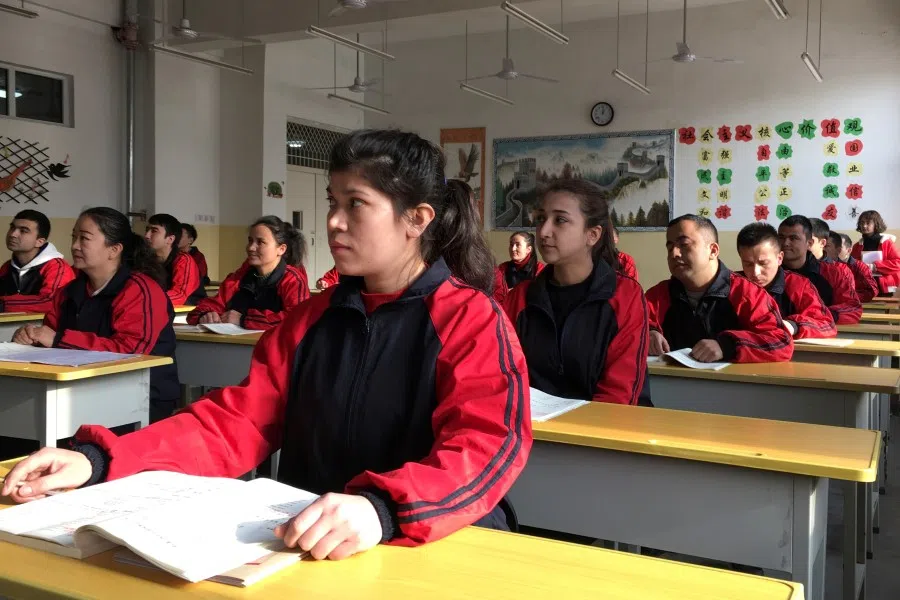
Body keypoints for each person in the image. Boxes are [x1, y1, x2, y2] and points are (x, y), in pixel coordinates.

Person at [2, 130, 531, 562]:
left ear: (416, 219)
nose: (333, 222)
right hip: (312, 548)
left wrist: (383, 510)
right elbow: (236, 423)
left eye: (356, 205)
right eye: (332, 202)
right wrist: (100, 459)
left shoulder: (470, 320)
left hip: (430, 542)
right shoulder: (311, 322)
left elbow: (486, 449)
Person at [11, 207, 179, 423]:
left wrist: (57, 339)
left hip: (138, 398)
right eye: (74, 237)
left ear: (114, 249)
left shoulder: (140, 289)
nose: (74, 245)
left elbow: (131, 350)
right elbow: (49, 333)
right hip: (80, 391)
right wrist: (29, 337)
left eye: (84, 238)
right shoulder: (69, 291)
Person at [504, 179, 648, 405]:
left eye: (560, 220)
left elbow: (619, 393)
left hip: (604, 431)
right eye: (541, 218)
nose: (544, 231)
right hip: (531, 431)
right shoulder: (520, 297)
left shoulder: (624, 295)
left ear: (592, 234)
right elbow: (503, 375)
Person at [645, 215, 792, 363]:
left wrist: (727, 346)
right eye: (670, 247)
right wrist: (648, 333)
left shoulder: (746, 293)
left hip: (730, 385)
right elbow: (633, 325)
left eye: (684, 245)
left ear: (713, 250)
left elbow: (781, 342)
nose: (674, 254)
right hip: (670, 383)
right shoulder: (657, 295)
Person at [188, 216, 310, 330]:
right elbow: (201, 309)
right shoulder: (239, 278)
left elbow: (298, 320)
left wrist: (244, 319)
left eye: (260, 242)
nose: (251, 247)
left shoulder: (292, 279)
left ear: (281, 249)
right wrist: (204, 315)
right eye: (250, 240)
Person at [737, 223, 836, 339]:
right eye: (748, 264)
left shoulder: (798, 285)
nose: (755, 272)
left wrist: (794, 325)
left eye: (763, 263)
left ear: (779, 258)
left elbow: (827, 324)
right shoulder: (734, 285)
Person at [778, 215, 862, 324]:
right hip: (775, 334)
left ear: (809, 243)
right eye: (781, 237)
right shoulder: (768, 273)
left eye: (793, 238)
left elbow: (852, 307)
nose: (785, 243)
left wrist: (817, 316)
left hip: (823, 333)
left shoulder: (834, 273)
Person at [0, 209, 74, 313]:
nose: (13, 234)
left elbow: (51, 302)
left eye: (23, 231)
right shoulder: (7, 267)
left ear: (39, 242)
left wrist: (3, 305)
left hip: (46, 328)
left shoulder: (57, 267)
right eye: (12, 227)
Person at [144, 213, 205, 306]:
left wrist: (143, 301)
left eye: (154, 231)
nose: (147, 235)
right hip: (158, 308)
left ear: (170, 239)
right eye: (147, 230)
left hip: (187, 313)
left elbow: (179, 295)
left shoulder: (183, 260)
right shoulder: (146, 259)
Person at [850, 210, 900, 295]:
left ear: (876, 224)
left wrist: (875, 266)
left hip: (884, 286)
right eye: (862, 223)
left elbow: (898, 263)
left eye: (868, 223)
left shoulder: (887, 243)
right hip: (863, 286)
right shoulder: (857, 246)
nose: (864, 226)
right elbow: (852, 265)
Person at [826, 231, 878, 303]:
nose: (833, 250)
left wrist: (848, 296)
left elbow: (872, 291)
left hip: (854, 304)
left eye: (839, 247)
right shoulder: (826, 265)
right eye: (828, 246)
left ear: (849, 250)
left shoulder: (860, 267)